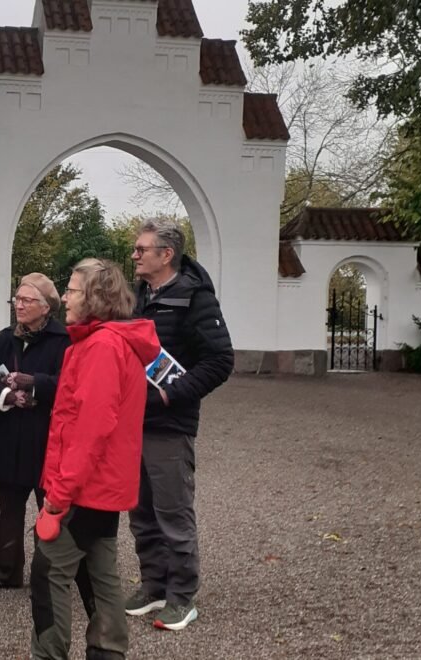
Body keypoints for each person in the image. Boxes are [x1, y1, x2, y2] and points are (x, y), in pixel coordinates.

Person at [30, 258, 160, 660]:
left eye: (71, 289)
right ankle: (108, 650)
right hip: (102, 488)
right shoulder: (102, 342)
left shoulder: (102, 346)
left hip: (84, 489)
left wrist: (57, 497)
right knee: (102, 576)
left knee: (49, 574)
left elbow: (90, 430)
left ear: (96, 297)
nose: (64, 297)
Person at [124, 219, 234, 631]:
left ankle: (182, 597)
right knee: (140, 512)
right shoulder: (138, 296)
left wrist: (172, 394)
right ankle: (153, 585)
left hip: (170, 424)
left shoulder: (195, 298)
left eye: (142, 249)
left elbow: (221, 362)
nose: (135, 254)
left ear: (166, 254)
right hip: (135, 420)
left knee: (173, 512)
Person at [0, 273, 69, 590]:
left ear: (45, 307)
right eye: (17, 299)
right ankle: (6, 571)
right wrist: (6, 396)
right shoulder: (6, 337)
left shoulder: (63, 340)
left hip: (46, 437)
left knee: (49, 508)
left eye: (27, 300)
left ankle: (50, 575)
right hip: (9, 434)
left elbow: (69, 383)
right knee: (9, 507)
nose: (19, 305)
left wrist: (35, 383)